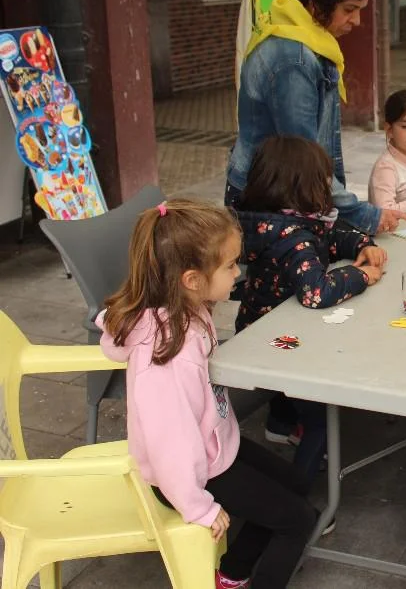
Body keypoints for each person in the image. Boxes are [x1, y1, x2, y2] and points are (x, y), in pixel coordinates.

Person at [98, 199, 317, 589]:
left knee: (297, 484)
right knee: (298, 520)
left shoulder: (187, 308)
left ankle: (231, 574)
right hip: (189, 474)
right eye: (230, 265)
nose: (238, 272)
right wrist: (197, 506)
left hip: (212, 450)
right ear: (192, 279)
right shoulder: (169, 357)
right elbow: (170, 443)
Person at [226, 0, 406, 235]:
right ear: (317, 3)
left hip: (286, 191)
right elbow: (306, 158)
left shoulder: (301, 34)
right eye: (349, 9)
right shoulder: (292, 58)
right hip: (270, 201)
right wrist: (362, 215)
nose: (357, 21)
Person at [234, 136, 387, 485]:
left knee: (287, 390)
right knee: (321, 412)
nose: (327, 189)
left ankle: (281, 424)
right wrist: (361, 275)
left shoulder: (272, 221)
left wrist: (362, 243)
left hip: (257, 328)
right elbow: (316, 292)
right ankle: (298, 489)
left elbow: (326, 239)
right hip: (279, 343)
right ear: (304, 186)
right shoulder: (293, 235)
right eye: (323, 181)